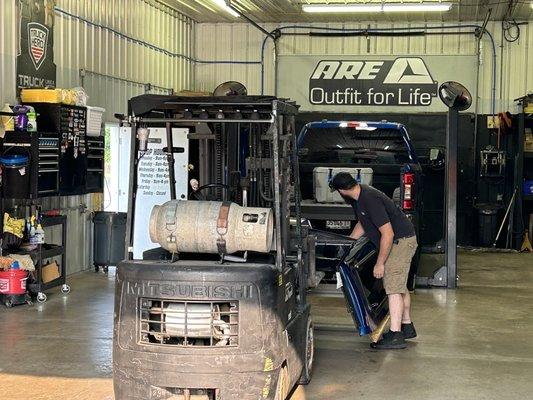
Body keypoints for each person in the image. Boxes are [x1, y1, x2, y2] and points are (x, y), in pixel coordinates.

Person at [329, 172, 418, 350]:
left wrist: (380, 263)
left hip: (399, 241)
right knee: (399, 286)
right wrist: (347, 244)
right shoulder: (360, 198)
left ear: (341, 191)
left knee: (393, 289)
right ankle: (406, 326)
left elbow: (388, 233)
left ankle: (396, 335)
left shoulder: (369, 198)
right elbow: (363, 223)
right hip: (401, 240)